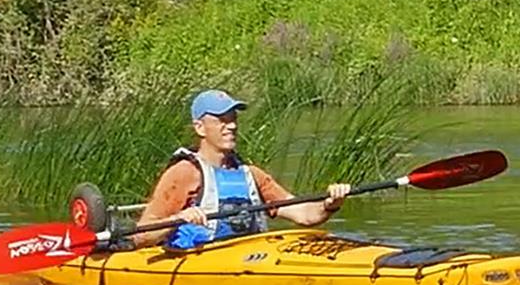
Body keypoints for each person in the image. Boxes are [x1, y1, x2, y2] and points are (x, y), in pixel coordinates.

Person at [132, 89, 358, 252]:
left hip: (250, 258)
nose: (231, 126)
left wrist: (330, 204)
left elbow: (304, 215)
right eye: (221, 120)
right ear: (200, 127)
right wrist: (178, 218)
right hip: (197, 260)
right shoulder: (184, 173)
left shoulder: (251, 174)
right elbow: (142, 236)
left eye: (233, 119)